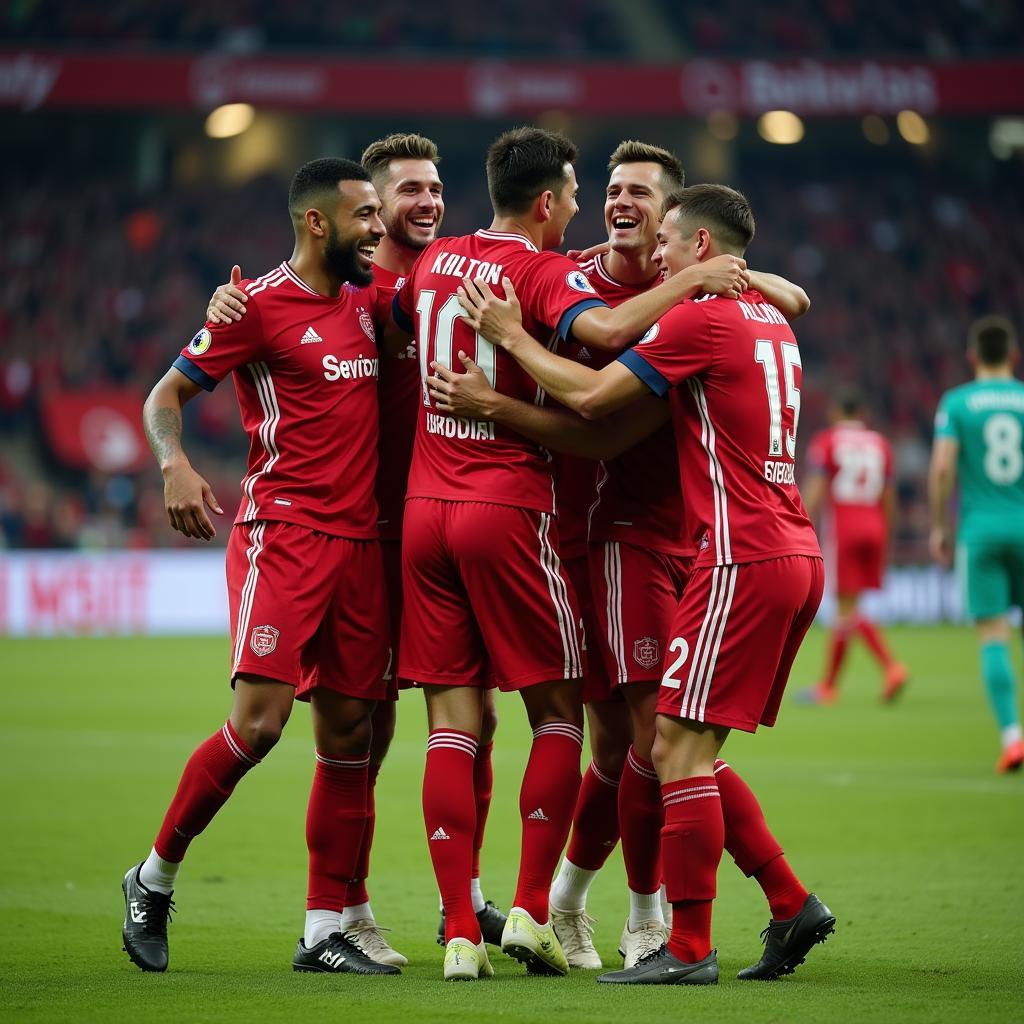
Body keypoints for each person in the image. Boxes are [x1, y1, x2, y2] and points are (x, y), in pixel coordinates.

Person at [426, 140, 809, 972]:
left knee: (653, 747)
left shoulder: (699, 298)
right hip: (604, 534)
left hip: (707, 542)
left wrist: (751, 277)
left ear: (679, 226)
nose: (619, 203)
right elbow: (602, 427)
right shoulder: (578, 276)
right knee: (632, 741)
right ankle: (624, 912)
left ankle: (616, 910)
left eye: (640, 193)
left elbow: (612, 410)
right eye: (609, 189)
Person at [207, 133, 505, 965]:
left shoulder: (454, 276)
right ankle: (347, 908)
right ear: (361, 213)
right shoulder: (358, 289)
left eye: (435, 189)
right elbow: (277, 308)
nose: (425, 202)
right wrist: (230, 306)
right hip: (359, 532)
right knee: (359, 731)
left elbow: (559, 266)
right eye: (404, 191)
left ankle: (468, 896)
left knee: (474, 716)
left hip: (437, 524)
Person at [121, 158, 400, 977]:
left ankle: (322, 931)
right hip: (285, 536)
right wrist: (172, 463)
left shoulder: (368, 300)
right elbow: (163, 396)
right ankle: (153, 876)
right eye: (363, 217)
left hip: (361, 548)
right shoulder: (255, 308)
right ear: (317, 222)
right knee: (260, 725)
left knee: (349, 735)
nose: (377, 229)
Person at [930, 315, 1024, 774]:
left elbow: (944, 469)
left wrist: (939, 527)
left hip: (981, 532)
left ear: (972, 357)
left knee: (993, 637)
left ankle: (1012, 737)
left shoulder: (958, 403)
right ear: (1013, 356)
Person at [800, 392, 908, 704]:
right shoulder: (880, 443)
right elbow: (889, 496)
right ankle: (830, 685)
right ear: (862, 413)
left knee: (845, 611)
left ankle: (890, 667)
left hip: (844, 529)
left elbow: (818, 488)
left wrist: (802, 522)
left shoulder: (827, 441)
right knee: (848, 610)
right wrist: (887, 535)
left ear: (835, 412)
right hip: (874, 526)